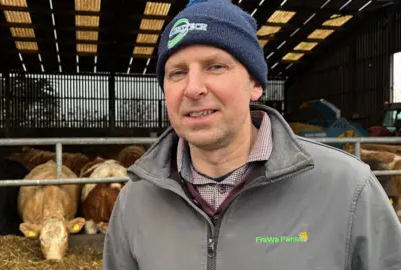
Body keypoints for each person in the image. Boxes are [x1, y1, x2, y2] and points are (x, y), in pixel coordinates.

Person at [103, 0, 401, 269]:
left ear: (256, 84)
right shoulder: (135, 201)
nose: (193, 88)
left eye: (215, 66)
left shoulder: (348, 190)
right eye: (177, 73)